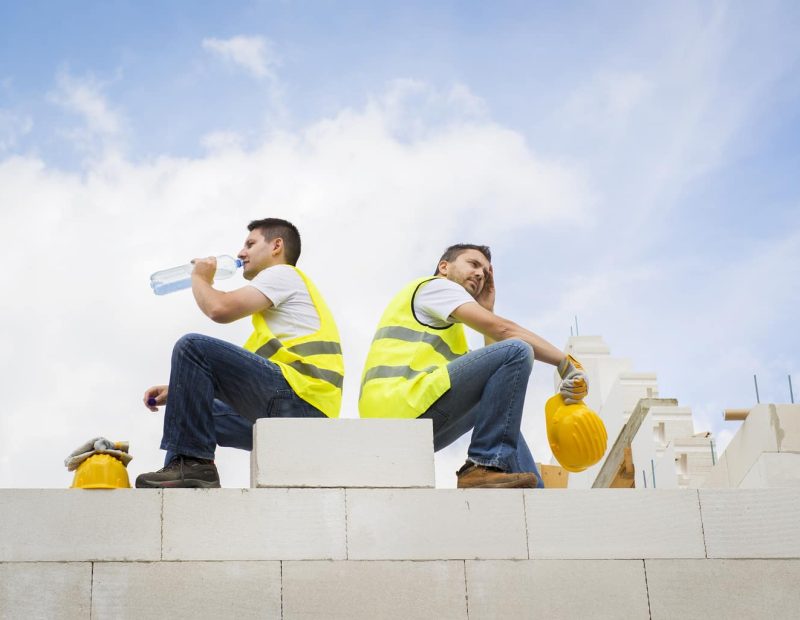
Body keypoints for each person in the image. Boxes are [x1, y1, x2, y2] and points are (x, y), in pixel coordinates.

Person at [136, 218, 344, 488]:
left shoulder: (283, 274)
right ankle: (180, 481)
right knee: (190, 412)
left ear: (276, 246)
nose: (241, 253)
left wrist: (199, 277)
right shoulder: (275, 320)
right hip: (298, 408)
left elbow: (219, 309)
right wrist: (185, 389)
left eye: (250, 244)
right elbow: (227, 383)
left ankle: (193, 467)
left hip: (302, 401)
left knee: (192, 347)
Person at [359, 244, 588, 489]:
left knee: (498, 398)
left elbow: (499, 378)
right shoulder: (436, 287)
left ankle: (533, 495)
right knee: (518, 349)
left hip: (409, 413)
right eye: (473, 264)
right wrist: (565, 363)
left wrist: (487, 309)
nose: (480, 274)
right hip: (401, 407)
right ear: (444, 267)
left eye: (486, 272)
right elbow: (504, 332)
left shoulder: (447, 326)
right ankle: (483, 464)